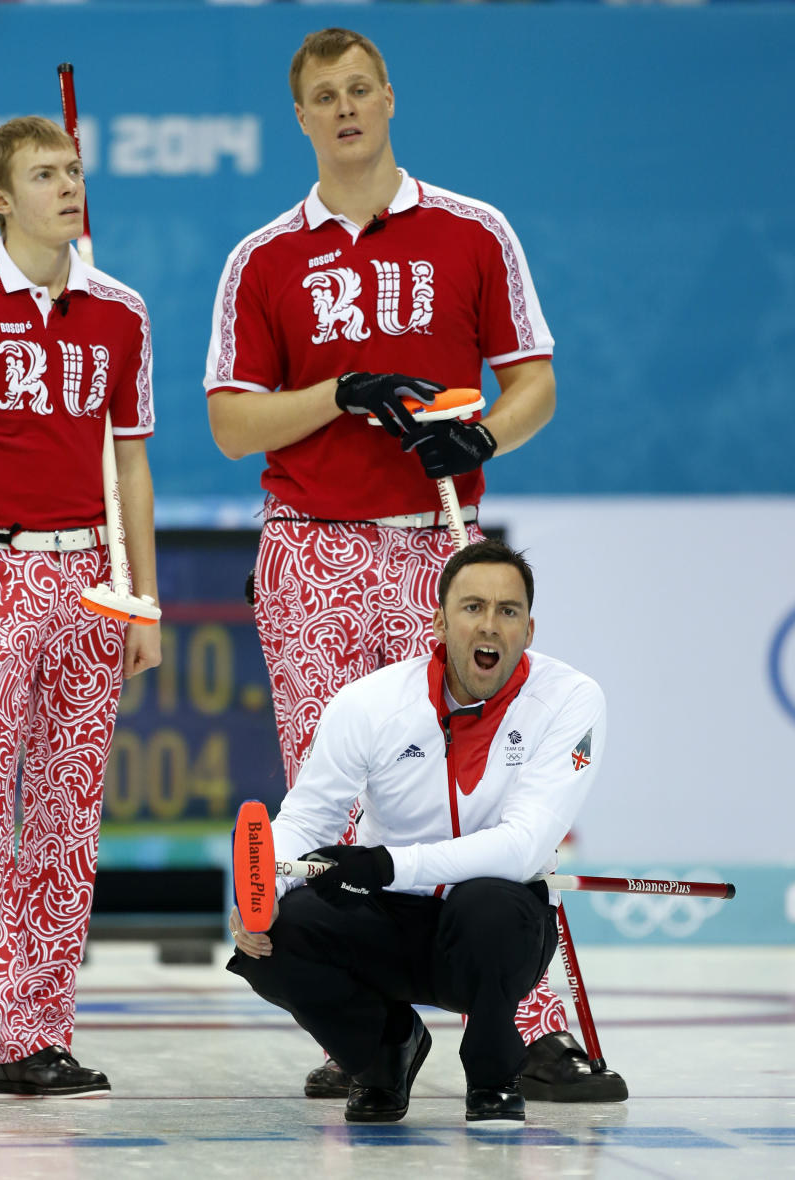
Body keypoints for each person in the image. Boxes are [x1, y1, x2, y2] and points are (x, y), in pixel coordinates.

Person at [205, 28, 624, 1101]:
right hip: (311, 546)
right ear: (298, 117)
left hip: (443, 546)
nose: (344, 109)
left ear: (390, 97)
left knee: (495, 778)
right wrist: (340, 391)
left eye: (360, 89)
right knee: (329, 790)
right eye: (322, 97)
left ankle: (525, 1028)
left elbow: (535, 382)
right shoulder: (265, 257)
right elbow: (232, 423)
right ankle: (364, 1029)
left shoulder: (472, 232)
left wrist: (484, 435)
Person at [0, 116, 161, 1105]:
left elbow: (130, 460)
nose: (68, 186)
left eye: (74, 170)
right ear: (0, 197)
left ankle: (34, 1032)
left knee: (64, 815)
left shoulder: (121, 310)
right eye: (45, 174)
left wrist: (141, 599)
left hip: (92, 574)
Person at [229, 541, 604, 1124]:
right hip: (392, 922)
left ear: (529, 629)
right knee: (285, 937)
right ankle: (386, 1051)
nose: (490, 624)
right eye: (472, 606)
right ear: (437, 621)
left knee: (490, 904)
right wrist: (260, 893)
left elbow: (524, 845)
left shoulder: (572, 700)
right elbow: (306, 817)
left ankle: (493, 1075)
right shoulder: (370, 704)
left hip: (498, 931)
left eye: (508, 612)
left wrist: (386, 864)